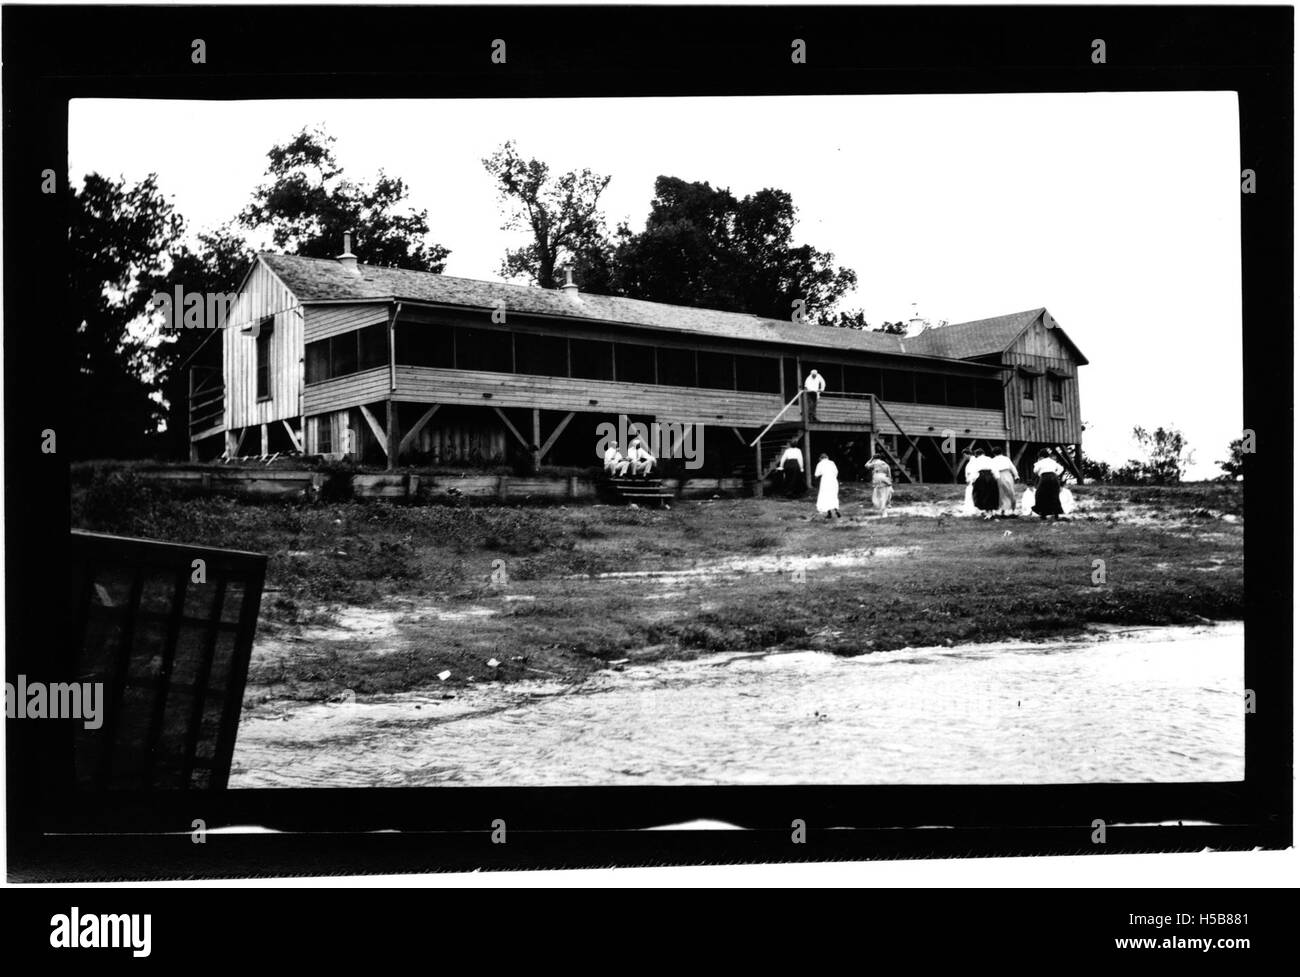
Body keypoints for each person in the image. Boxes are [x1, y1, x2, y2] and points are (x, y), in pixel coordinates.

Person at [1030, 448, 1065, 520]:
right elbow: (1061, 468)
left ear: (1041, 456)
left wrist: (1038, 463)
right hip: (1054, 477)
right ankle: (1056, 515)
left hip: (1045, 477)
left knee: (1040, 495)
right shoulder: (1052, 461)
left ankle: (1043, 514)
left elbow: (1035, 471)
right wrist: (1056, 474)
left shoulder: (1040, 461)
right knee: (1054, 495)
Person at [968, 448, 999, 517]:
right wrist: (996, 477)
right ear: (983, 453)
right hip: (990, 477)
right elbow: (995, 469)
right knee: (991, 494)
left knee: (982, 494)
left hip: (981, 478)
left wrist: (972, 480)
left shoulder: (976, 461)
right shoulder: (989, 459)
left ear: (977, 455)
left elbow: (974, 471)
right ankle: (990, 511)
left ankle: (987, 511)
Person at [990, 447, 1019, 516]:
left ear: (994, 453)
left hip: (999, 475)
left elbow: (994, 470)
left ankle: (1003, 510)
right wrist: (1016, 475)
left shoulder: (993, 460)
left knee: (1002, 493)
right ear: (1001, 452)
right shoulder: (1006, 458)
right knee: (1011, 492)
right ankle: (1013, 510)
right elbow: (1012, 467)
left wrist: (996, 478)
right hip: (1008, 474)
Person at [813, 452, 840, 519]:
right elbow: (836, 472)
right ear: (827, 457)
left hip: (825, 481)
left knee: (825, 495)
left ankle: (829, 513)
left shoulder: (820, 464)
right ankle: (836, 509)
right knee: (833, 495)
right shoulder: (832, 463)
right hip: (833, 480)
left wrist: (816, 478)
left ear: (821, 458)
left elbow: (816, 474)